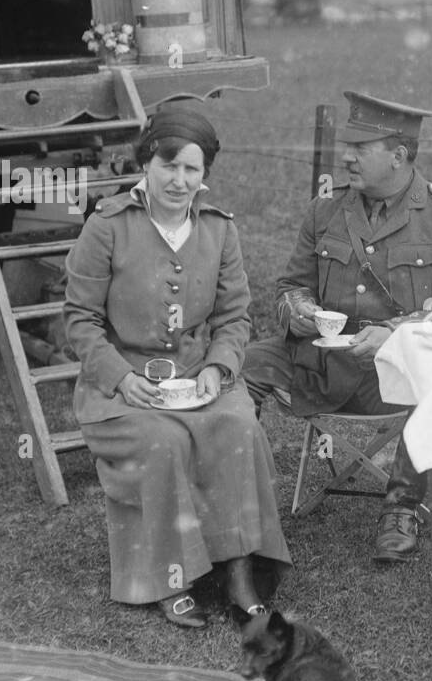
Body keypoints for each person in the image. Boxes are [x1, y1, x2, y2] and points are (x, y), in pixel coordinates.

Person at [64, 106, 291, 628]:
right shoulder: (108, 227)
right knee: (162, 443)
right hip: (120, 388)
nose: (178, 180)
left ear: (204, 174)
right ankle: (171, 578)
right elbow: (79, 319)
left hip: (196, 378)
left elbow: (235, 317)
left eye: (192, 169)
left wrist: (218, 368)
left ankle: (237, 570)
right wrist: (121, 376)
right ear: (147, 162)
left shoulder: (218, 231)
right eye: (168, 165)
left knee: (237, 425)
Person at [243, 92, 432, 562]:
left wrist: (396, 332)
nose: (346, 156)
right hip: (319, 361)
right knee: (243, 364)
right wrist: (303, 311)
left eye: (360, 147)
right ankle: (238, 499)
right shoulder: (325, 210)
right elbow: (290, 286)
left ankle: (401, 507)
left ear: (398, 156)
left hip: (394, 378)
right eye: (346, 145)